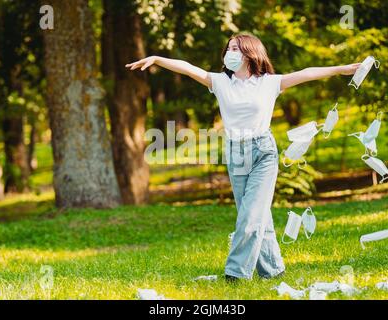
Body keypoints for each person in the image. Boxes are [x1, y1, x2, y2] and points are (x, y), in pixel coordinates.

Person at [126, 32, 360, 282]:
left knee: (250, 216)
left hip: (263, 153)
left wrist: (341, 69)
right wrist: (157, 59)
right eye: (229, 48)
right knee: (256, 214)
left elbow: (308, 72)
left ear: (250, 53)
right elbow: (188, 68)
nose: (230, 53)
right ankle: (273, 270)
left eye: (236, 48)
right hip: (236, 153)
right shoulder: (219, 82)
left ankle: (235, 274)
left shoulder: (269, 82)